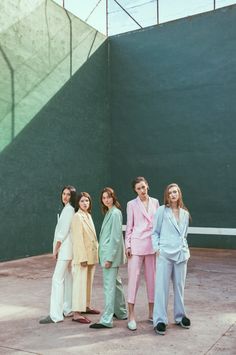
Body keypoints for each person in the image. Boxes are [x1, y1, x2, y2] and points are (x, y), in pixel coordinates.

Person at [152, 183, 191, 335]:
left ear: (179, 194)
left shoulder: (185, 214)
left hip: (181, 254)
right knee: (161, 288)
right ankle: (160, 320)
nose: (173, 195)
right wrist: (158, 249)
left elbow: (184, 235)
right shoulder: (162, 211)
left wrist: (184, 249)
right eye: (170, 193)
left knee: (179, 288)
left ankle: (180, 317)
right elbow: (154, 232)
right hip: (165, 254)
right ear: (167, 196)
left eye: (175, 192)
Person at [90, 187, 127, 329]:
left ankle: (106, 320)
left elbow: (116, 237)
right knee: (116, 285)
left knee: (109, 287)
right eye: (104, 198)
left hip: (109, 257)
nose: (106, 200)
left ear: (113, 197)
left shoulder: (115, 213)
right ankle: (122, 312)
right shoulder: (109, 212)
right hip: (107, 255)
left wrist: (109, 258)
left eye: (109, 197)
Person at [125, 176, 159, 331]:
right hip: (137, 246)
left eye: (143, 187)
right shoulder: (131, 204)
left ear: (148, 186)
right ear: (135, 190)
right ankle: (131, 316)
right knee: (133, 280)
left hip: (151, 246)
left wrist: (159, 245)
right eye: (138, 188)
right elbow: (129, 227)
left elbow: (158, 226)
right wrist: (128, 246)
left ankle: (152, 314)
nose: (142, 190)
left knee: (152, 280)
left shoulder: (156, 202)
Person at [39, 185, 76, 324]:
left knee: (57, 280)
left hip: (65, 251)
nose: (65, 196)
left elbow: (62, 233)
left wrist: (55, 251)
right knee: (67, 279)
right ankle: (68, 309)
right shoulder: (69, 210)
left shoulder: (68, 211)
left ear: (72, 197)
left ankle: (55, 315)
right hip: (68, 251)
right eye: (64, 194)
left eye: (68, 194)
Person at [71, 192, 99, 324]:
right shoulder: (77, 217)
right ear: (78, 203)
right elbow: (77, 239)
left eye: (87, 201)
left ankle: (86, 306)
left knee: (88, 282)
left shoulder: (88, 215)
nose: (85, 203)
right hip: (83, 257)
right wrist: (82, 258)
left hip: (91, 256)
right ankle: (76, 313)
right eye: (82, 201)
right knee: (80, 284)